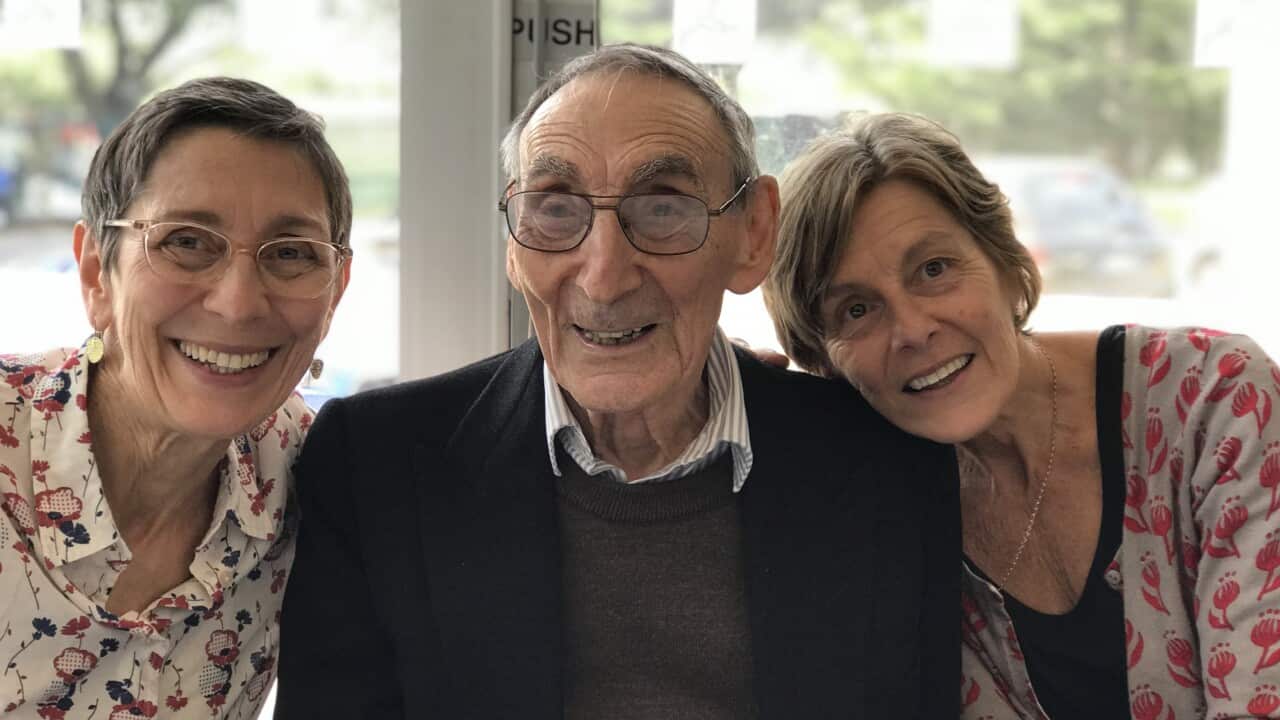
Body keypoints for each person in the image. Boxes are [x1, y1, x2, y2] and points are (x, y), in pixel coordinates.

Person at [276, 44, 958, 719]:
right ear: (514, 246)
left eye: (663, 208)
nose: (603, 275)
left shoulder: (885, 457)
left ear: (752, 234)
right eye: (555, 207)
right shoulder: (377, 466)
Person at [762, 111, 1280, 718]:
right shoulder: (879, 512)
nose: (912, 329)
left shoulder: (1216, 399)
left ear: (1006, 263)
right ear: (826, 361)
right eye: (855, 311)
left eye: (934, 269)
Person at [0, 77, 351, 717]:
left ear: (336, 290)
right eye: (186, 242)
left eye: (292, 253)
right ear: (95, 274)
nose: (239, 303)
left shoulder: (316, 473)